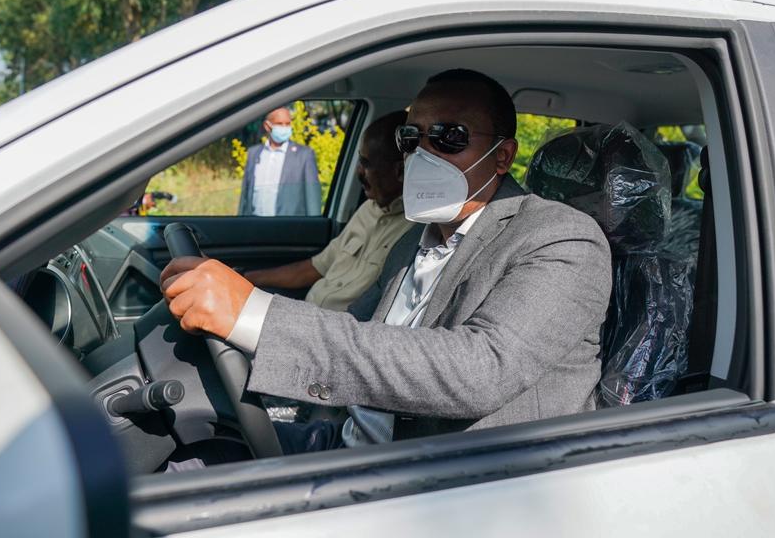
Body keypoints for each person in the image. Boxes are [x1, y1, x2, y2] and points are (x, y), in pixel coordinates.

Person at [161, 69, 612, 453]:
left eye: (450, 137)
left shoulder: (561, 238)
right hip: (350, 441)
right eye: (411, 139)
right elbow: (355, 334)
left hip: (451, 480)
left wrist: (255, 315)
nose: (424, 154)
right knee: (189, 442)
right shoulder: (412, 242)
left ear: (502, 157)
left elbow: (480, 371)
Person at [244, 111, 412, 312]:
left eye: (367, 164)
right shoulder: (368, 210)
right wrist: (248, 278)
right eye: (359, 161)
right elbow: (315, 267)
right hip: (308, 311)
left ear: (400, 171)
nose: (359, 172)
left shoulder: (414, 230)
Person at [238, 107, 322, 216]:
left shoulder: (304, 155)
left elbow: (312, 199)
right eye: (279, 124)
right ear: (267, 126)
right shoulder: (254, 153)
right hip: (255, 222)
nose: (284, 128)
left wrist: (314, 223)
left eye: (288, 124)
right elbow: (245, 196)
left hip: (287, 224)